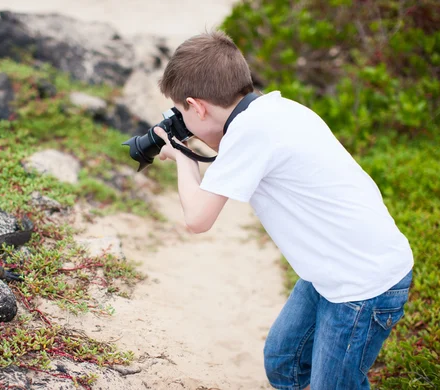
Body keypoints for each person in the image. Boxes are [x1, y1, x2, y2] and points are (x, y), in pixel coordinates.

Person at [153, 30, 414, 389]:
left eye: (183, 112)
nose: (183, 121)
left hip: (363, 285)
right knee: (284, 363)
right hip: (334, 269)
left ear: (197, 106)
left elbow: (197, 219)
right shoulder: (271, 110)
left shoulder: (249, 133)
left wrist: (182, 154)